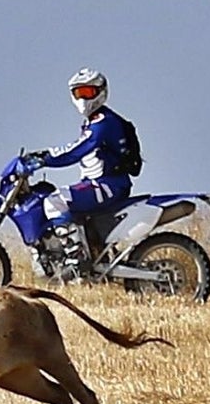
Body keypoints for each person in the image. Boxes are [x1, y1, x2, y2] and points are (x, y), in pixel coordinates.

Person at [22, 68, 138, 275]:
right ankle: (84, 253)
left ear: (101, 92)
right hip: (103, 184)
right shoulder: (94, 120)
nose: (83, 98)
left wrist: (43, 158)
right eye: (79, 93)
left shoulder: (104, 122)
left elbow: (76, 150)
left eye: (88, 92)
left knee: (54, 201)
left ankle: (77, 260)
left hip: (108, 184)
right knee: (65, 204)